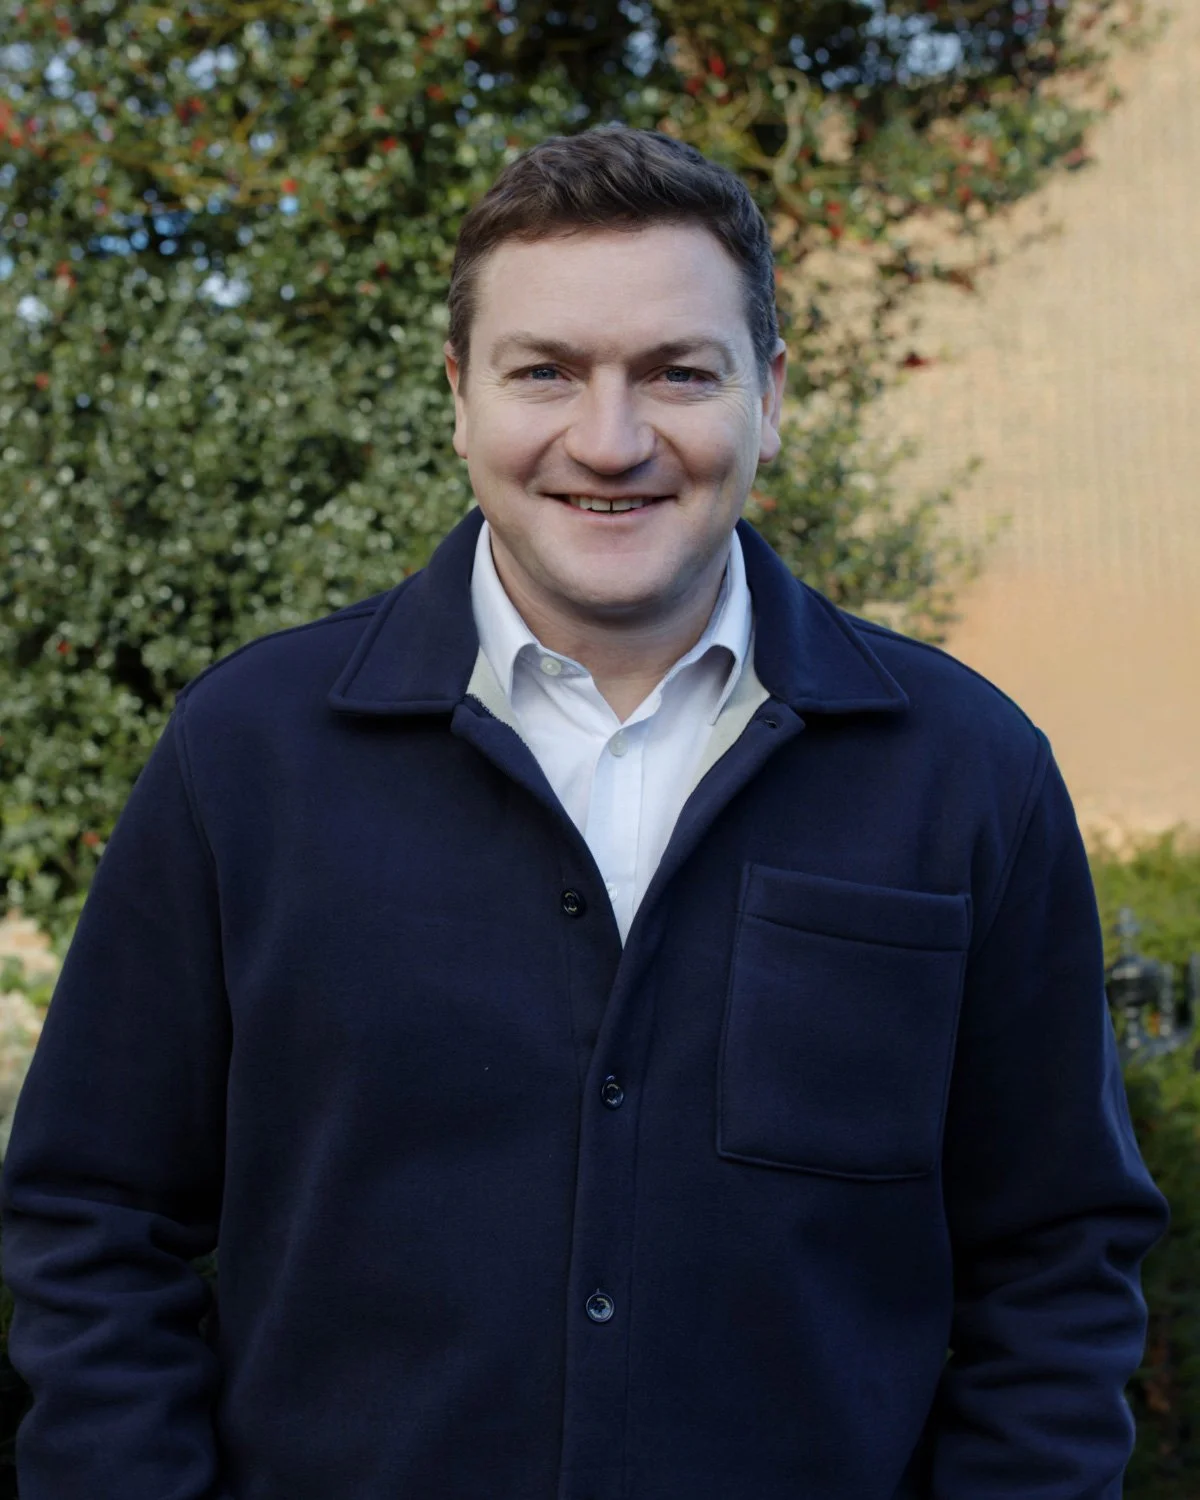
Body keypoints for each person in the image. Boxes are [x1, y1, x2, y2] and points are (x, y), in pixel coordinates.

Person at [0, 123, 1169, 1500]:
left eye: (678, 372)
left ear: (772, 396)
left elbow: (1054, 1259)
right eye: (544, 371)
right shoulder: (245, 755)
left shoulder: (970, 770)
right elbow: (94, 1223)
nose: (609, 442)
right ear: (457, 396)